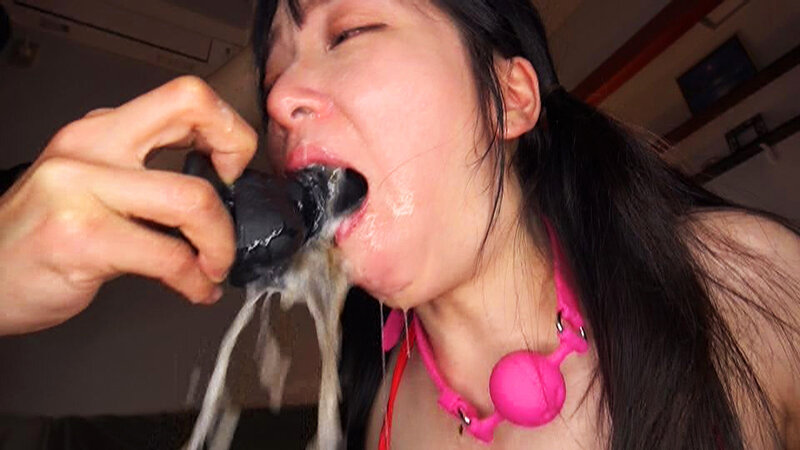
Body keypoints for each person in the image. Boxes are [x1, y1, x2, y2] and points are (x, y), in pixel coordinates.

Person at [0, 0, 797, 449]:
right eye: (274, 76)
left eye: (349, 33)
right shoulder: (377, 409)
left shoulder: (744, 286)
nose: (279, 101)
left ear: (510, 97)